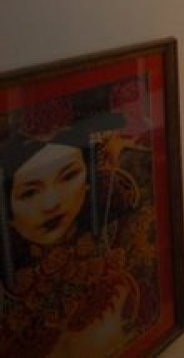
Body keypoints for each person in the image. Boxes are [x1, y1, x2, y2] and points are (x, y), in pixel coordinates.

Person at [0, 105, 143, 357]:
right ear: (7, 207)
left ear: (87, 179)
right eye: (30, 193)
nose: (52, 203)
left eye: (69, 176)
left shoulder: (118, 227)